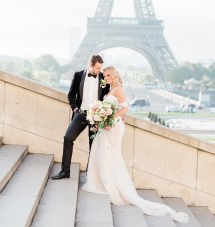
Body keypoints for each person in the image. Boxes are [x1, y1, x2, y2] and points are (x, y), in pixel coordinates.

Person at [81, 66, 189, 223]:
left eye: (109, 75)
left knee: (111, 153)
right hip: (107, 126)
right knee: (101, 150)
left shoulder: (118, 88)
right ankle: (102, 182)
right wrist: (101, 118)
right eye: (105, 75)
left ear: (115, 75)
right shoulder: (110, 88)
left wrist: (110, 118)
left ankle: (111, 185)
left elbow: (125, 108)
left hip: (114, 126)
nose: (107, 77)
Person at [51, 55, 110, 180]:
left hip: (96, 117)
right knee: (68, 137)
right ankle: (65, 171)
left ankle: (91, 175)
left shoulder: (103, 78)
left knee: (93, 145)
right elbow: (71, 95)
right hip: (81, 114)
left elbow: (108, 98)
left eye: (101, 68)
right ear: (91, 65)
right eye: (98, 68)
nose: (100, 70)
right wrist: (76, 109)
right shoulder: (78, 76)